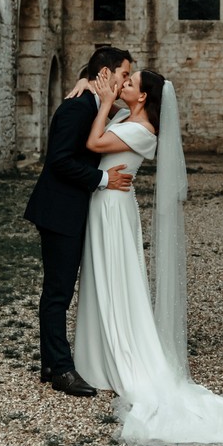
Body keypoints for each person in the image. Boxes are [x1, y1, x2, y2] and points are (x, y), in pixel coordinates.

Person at [73, 68, 223, 446]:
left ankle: (125, 357)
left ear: (142, 98)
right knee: (101, 278)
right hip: (106, 201)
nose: (122, 85)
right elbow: (101, 124)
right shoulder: (128, 118)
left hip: (112, 208)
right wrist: (90, 89)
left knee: (117, 280)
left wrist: (106, 101)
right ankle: (99, 358)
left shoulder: (142, 131)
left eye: (129, 84)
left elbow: (93, 143)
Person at [24, 46, 133, 397]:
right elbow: (58, 161)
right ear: (105, 73)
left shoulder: (95, 104)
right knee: (58, 292)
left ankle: (49, 361)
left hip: (72, 210)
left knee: (60, 290)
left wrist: (88, 84)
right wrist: (103, 180)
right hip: (59, 211)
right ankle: (61, 369)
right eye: (123, 74)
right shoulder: (76, 107)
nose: (127, 80)